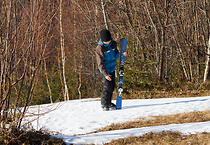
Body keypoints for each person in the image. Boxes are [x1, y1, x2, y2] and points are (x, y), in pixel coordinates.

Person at [95, 29, 127, 111]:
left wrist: (121, 54)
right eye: (106, 41)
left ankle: (109, 102)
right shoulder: (100, 48)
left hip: (112, 68)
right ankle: (104, 104)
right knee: (107, 87)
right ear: (102, 40)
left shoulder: (113, 44)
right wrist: (105, 74)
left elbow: (116, 55)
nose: (108, 42)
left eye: (109, 40)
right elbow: (100, 63)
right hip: (105, 70)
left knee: (112, 86)